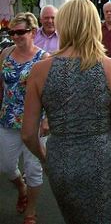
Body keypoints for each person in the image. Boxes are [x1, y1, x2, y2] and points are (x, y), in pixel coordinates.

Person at [21, 0, 111, 224]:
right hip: (101, 160)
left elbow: (28, 133)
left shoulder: (40, 70)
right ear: (93, 25)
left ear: (63, 25)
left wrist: (45, 159)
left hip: (61, 159)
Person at [0, 13, 48, 224]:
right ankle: (21, 188)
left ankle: (31, 211)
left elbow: (49, 93)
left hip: (35, 121)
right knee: (7, 166)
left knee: (34, 169)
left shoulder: (44, 58)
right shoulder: (5, 53)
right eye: (12, 32)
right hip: (8, 118)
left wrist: (47, 119)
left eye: (20, 32)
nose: (15, 37)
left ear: (33, 32)